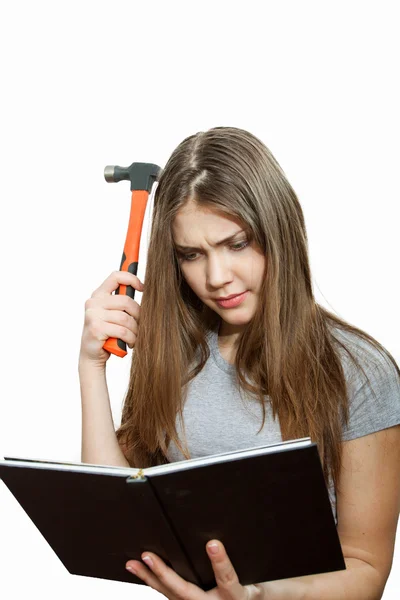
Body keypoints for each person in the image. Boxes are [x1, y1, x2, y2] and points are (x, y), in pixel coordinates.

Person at [78, 126, 400, 599]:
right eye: (191, 254)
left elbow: (367, 570)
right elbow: (116, 513)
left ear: (278, 231)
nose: (216, 278)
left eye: (236, 244)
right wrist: (91, 368)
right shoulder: (176, 356)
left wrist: (259, 598)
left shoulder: (359, 371)